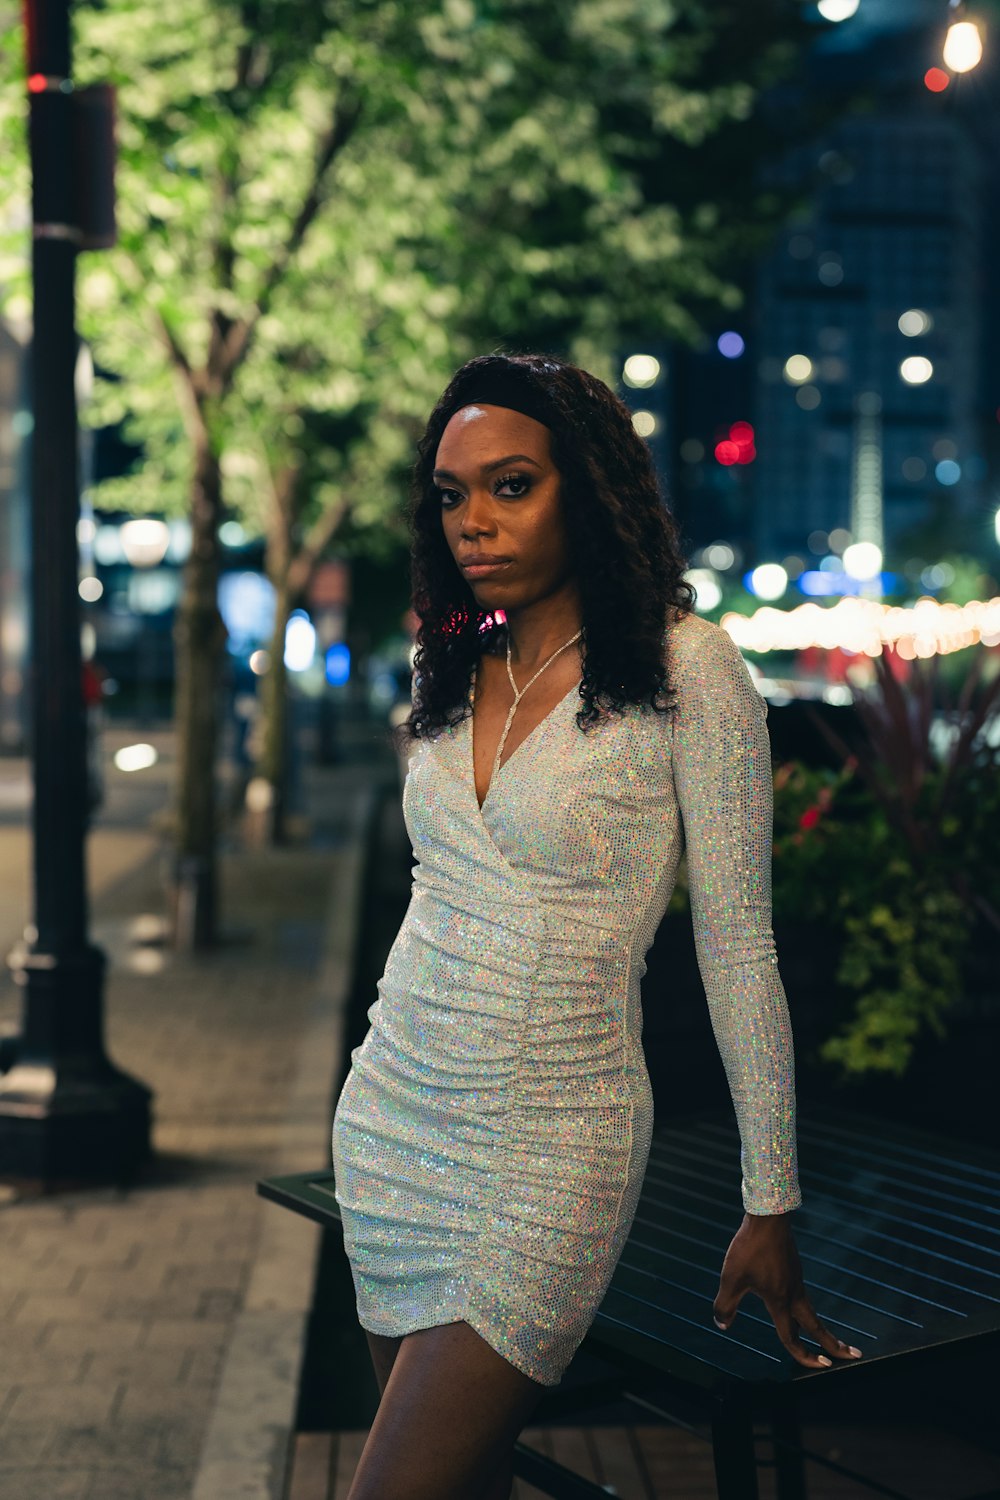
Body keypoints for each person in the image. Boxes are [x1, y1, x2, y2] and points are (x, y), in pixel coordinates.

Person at [331, 352, 862, 1500]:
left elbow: (737, 945)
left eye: (510, 485)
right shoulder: (448, 663)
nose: (473, 519)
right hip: (390, 1124)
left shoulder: (689, 669)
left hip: (550, 1147)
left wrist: (769, 1194)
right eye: (452, 493)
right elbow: (441, 893)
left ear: (590, 487)